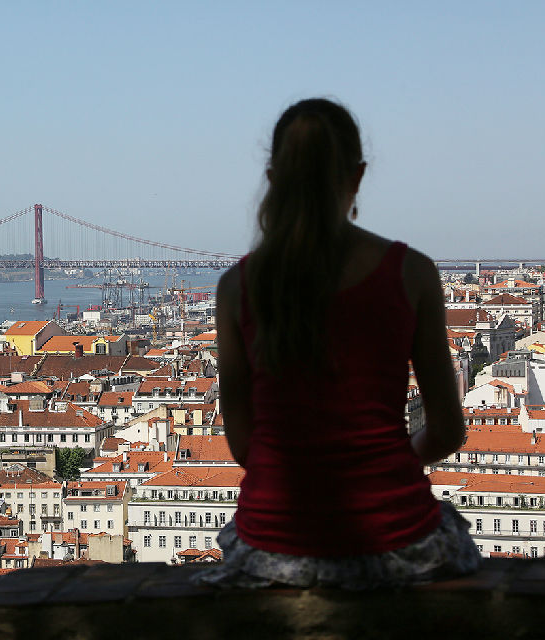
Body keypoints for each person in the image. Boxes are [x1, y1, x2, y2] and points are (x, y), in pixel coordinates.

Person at [198, 98, 480, 589]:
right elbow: (447, 432)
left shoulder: (236, 288)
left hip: (273, 547)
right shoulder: (412, 273)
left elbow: (244, 445)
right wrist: (383, 465)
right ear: (358, 175)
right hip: (395, 538)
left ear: (273, 177)